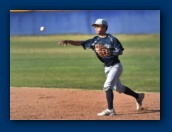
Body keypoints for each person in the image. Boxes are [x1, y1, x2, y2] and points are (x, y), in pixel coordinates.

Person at [58, 18, 145, 116]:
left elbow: (120, 51)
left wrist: (110, 52)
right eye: (95, 26)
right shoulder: (95, 40)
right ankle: (138, 96)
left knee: (107, 86)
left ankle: (110, 109)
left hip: (116, 66)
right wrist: (68, 41)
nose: (96, 28)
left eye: (98, 26)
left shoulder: (112, 39)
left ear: (104, 27)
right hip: (107, 68)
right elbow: (80, 42)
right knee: (119, 88)